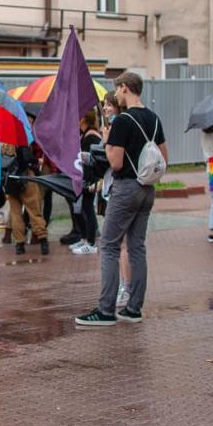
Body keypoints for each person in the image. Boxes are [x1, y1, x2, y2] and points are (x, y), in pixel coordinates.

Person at [76, 73, 167, 326]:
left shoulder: (123, 120)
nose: (114, 95)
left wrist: (107, 142)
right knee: (137, 247)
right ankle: (133, 308)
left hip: (126, 187)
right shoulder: (153, 118)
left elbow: (115, 163)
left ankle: (105, 310)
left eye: (116, 90)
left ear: (124, 88)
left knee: (109, 246)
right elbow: (164, 157)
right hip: (147, 188)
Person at [99, 91, 132, 304]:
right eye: (104, 105)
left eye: (109, 105)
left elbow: (115, 162)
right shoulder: (119, 125)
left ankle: (124, 289)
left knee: (116, 245)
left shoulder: (119, 126)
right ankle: (128, 288)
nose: (105, 109)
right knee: (127, 245)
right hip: (118, 187)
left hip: (120, 188)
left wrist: (106, 141)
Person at [2, 143, 49, 256]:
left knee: (15, 214)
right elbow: (27, 159)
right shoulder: (21, 141)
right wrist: (36, 161)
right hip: (26, 179)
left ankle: (19, 244)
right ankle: (43, 240)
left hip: (10, 182)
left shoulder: (3, 145)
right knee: (34, 211)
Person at [72, 110, 103, 254]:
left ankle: (90, 242)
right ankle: (85, 238)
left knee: (87, 207)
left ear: (84, 118)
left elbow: (93, 159)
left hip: (90, 179)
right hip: (86, 178)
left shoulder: (91, 136)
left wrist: (91, 182)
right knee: (82, 207)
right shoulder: (85, 134)